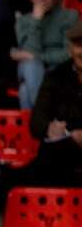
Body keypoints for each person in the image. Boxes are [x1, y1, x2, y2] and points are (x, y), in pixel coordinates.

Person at [12, 0, 78, 111]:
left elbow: (68, 53)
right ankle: (45, 118)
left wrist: (38, 57)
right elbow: (29, 51)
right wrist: (36, 20)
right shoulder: (23, 21)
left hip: (58, 69)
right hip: (29, 69)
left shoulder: (69, 16)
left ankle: (37, 128)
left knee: (24, 91)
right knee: (31, 65)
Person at [26, 21, 82, 187]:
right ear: (70, 49)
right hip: (65, 149)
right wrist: (52, 129)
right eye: (79, 45)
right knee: (49, 156)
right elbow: (37, 122)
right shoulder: (56, 77)